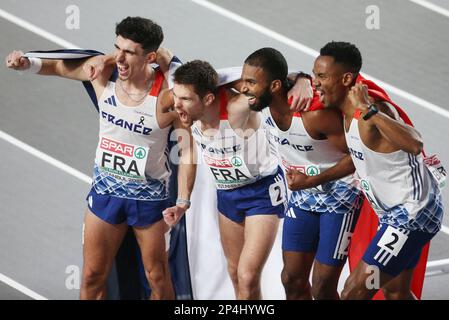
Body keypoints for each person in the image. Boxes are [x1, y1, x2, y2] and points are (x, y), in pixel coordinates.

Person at [5, 16, 196, 300]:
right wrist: (27, 64)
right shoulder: (103, 75)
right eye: (116, 48)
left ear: (150, 57)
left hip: (150, 200)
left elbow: (188, 150)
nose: (118, 57)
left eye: (129, 52)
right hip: (106, 194)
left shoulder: (169, 96)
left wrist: (182, 201)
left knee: (157, 277)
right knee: (92, 276)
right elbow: (60, 66)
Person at [311, 41, 444, 299]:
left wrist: (368, 110)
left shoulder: (374, 110)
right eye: (315, 74)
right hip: (395, 212)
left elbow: (415, 143)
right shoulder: (343, 109)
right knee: (396, 293)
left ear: (347, 79)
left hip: (411, 214)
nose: (315, 82)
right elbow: (292, 79)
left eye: (322, 76)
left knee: (353, 293)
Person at [239, 47, 363, 300]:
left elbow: (358, 159)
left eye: (251, 82)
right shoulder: (262, 106)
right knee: (292, 280)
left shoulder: (315, 115)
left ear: (274, 86)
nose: (244, 89)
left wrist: (312, 180)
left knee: (322, 287)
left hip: (340, 202)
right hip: (303, 199)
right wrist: (301, 77)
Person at [168, 60, 288, 300]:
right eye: (176, 97)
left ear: (209, 99)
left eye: (186, 99)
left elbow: (268, 84)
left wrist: (301, 79)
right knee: (234, 273)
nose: (177, 105)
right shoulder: (186, 115)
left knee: (247, 275)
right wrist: (183, 200)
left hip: (261, 193)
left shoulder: (237, 108)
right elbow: (189, 153)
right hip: (227, 194)